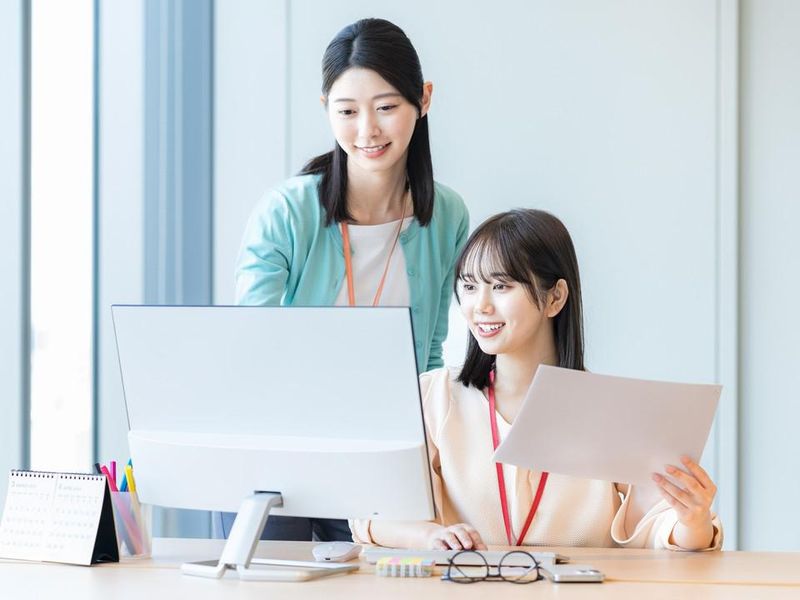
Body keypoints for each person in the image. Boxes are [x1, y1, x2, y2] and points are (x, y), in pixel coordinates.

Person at [351, 209, 722, 551]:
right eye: (469, 286)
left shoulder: (607, 409)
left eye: (501, 286)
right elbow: (372, 512)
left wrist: (694, 519)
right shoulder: (435, 397)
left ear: (555, 298)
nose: (480, 306)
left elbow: (663, 531)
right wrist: (430, 535)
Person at [229, 18, 469, 542]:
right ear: (326, 109)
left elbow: (430, 356)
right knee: (269, 577)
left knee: (394, 575)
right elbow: (252, 343)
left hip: (382, 458)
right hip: (280, 451)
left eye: (386, 107)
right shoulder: (286, 211)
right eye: (347, 111)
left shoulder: (447, 215)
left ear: (423, 99)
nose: (367, 131)